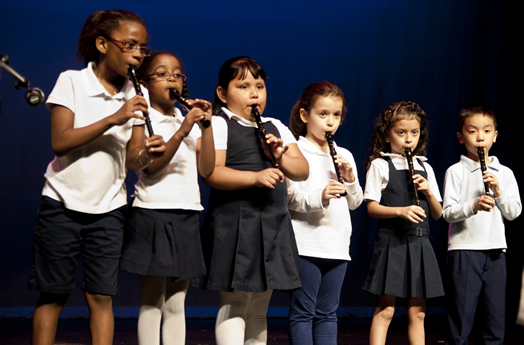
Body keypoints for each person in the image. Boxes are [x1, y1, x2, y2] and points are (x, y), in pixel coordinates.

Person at [28, 10, 166, 345]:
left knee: (101, 297)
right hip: (61, 204)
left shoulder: (139, 93)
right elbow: (60, 142)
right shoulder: (72, 81)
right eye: (130, 45)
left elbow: (133, 160)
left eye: (143, 48)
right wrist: (115, 116)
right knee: (53, 295)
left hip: (109, 209)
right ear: (103, 44)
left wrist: (148, 152)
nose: (138, 54)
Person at [194, 56, 309, 345]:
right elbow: (212, 173)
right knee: (235, 302)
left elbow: (302, 170)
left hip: (272, 224)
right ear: (223, 93)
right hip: (235, 223)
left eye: (259, 85)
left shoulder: (276, 126)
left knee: (259, 307)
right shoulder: (219, 124)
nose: (254, 93)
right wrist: (255, 178)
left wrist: (281, 154)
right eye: (243, 86)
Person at [119, 51, 214, 345]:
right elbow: (152, 166)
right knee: (152, 301)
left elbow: (207, 169)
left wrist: (206, 127)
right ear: (145, 83)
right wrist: (184, 130)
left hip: (186, 213)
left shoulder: (182, 117)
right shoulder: (144, 118)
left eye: (176, 73)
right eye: (162, 73)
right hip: (153, 213)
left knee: (176, 302)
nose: (171, 78)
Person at [286, 81, 363, 345]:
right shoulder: (295, 151)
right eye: (323, 114)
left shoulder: (344, 155)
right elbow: (291, 198)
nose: (330, 122)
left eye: (336, 115)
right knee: (303, 313)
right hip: (306, 244)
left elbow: (355, 203)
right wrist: (321, 195)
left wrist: (351, 179)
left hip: (337, 245)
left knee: (328, 314)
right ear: (305, 115)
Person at [362, 101, 444, 345]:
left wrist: (428, 192)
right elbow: (371, 207)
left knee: (417, 312)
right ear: (388, 135)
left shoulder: (425, 167)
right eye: (401, 132)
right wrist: (400, 211)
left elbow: (438, 214)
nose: (409, 139)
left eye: (414, 133)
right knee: (386, 309)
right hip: (392, 241)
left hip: (420, 243)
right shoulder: (380, 164)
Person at [442, 105, 521, 345]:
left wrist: (498, 193)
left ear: (495, 136)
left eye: (487, 131)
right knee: (461, 320)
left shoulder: (504, 173)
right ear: (460, 136)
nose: (480, 137)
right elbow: (447, 213)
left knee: (494, 320)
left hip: (496, 251)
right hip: (465, 251)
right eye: (472, 131)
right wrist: (473, 206)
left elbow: (514, 213)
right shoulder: (456, 171)